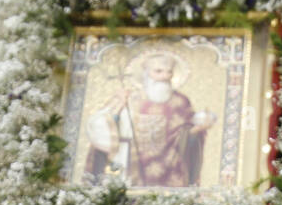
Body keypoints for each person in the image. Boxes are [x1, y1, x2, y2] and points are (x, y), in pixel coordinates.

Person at [85, 53, 215, 187]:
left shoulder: (181, 102)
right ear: (146, 74)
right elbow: (102, 124)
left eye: (169, 72)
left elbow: (187, 135)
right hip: (129, 161)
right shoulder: (130, 98)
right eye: (158, 71)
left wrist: (198, 130)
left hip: (171, 168)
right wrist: (118, 107)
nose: (164, 76)